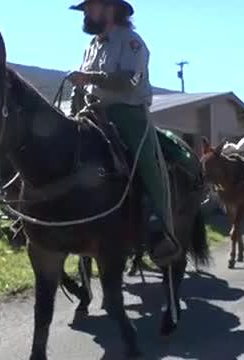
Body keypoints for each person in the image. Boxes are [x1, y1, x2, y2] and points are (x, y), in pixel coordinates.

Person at [67, 0, 180, 267]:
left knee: (149, 164)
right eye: (84, 10)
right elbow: (83, 84)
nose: (85, 14)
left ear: (110, 10)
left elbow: (130, 81)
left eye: (90, 8)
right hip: (93, 111)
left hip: (128, 113)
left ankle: (161, 229)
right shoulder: (91, 46)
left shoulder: (132, 42)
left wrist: (90, 78)